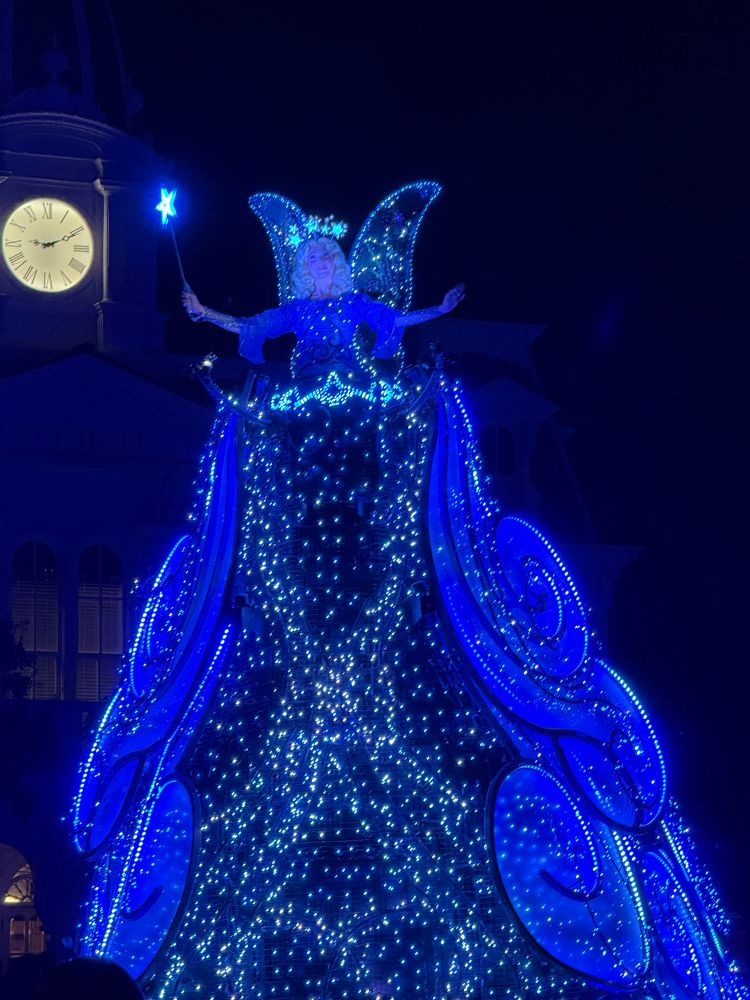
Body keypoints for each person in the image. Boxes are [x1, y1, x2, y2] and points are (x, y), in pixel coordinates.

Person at [181, 236, 464, 377]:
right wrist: (204, 311)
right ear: (306, 268)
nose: (320, 263)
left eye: (324, 257)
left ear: (335, 261)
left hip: (350, 382)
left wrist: (439, 309)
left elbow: (395, 320)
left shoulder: (354, 302)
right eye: (312, 259)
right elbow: (248, 326)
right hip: (305, 382)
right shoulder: (295, 309)